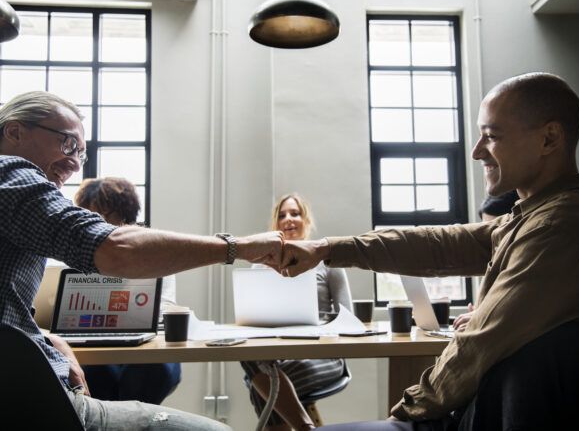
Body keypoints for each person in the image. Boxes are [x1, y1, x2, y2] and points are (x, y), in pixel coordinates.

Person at [277, 72, 579, 429]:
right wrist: (325, 248)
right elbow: (440, 244)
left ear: (548, 139)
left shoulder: (559, 225)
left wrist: (404, 414)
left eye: (491, 136)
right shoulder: (535, 216)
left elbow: (477, 345)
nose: (476, 151)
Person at [0, 90, 283, 430]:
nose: (76, 162)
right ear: (15, 132)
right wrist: (239, 247)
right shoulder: (9, 175)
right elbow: (116, 249)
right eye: (68, 144)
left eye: (82, 154)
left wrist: (44, 337)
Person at [241, 193, 353, 430]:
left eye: (295, 213)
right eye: (282, 215)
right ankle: (305, 427)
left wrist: (321, 332)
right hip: (276, 353)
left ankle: (303, 427)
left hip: (323, 355)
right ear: (275, 224)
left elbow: (348, 317)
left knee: (261, 388)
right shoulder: (261, 266)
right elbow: (250, 317)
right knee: (247, 356)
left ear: (306, 220)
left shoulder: (328, 261)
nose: (288, 219)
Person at [74, 176, 181, 404]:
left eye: (102, 215)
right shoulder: (76, 257)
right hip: (95, 345)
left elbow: (164, 308)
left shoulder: (155, 254)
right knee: (94, 372)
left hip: (148, 345)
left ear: (125, 216)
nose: (93, 223)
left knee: (151, 370)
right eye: (87, 215)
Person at [452, 189, 519, 332]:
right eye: (485, 228)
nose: (490, 237)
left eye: (495, 228)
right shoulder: (491, 262)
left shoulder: (520, 260)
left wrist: (483, 315)